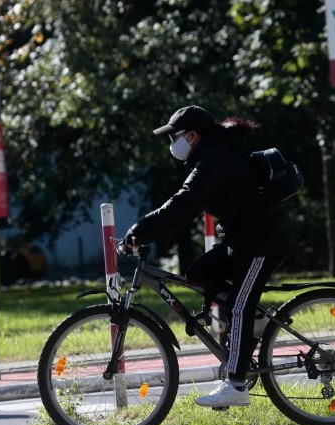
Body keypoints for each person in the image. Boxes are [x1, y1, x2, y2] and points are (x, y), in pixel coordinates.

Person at [121, 105, 295, 408]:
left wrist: (140, 230)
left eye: (173, 137)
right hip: (243, 239)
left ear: (191, 135)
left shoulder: (213, 158)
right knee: (198, 275)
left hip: (263, 240)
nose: (171, 144)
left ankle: (237, 384)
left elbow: (183, 204)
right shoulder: (210, 154)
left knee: (239, 306)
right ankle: (256, 323)